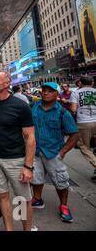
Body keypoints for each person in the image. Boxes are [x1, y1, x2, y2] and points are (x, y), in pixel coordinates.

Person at [0, 71, 36, 231]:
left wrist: (28, 166)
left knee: (21, 199)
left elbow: (30, 137)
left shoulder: (20, 106)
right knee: (2, 196)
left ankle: (26, 229)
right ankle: (9, 228)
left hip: (15, 160)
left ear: (6, 84)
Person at [31, 82, 79, 223]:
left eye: (50, 91)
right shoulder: (34, 107)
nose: (45, 93)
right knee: (36, 178)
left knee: (61, 181)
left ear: (57, 94)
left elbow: (74, 135)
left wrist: (62, 152)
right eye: (44, 90)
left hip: (53, 152)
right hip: (35, 151)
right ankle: (38, 199)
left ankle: (63, 206)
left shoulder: (62, 112)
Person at [69, 75, 96, 182]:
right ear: (92, 83)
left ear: (80, 83)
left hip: (84, 123)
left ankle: (95, 163)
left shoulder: (76, 93)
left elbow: (73, 109)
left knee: (83, 146)